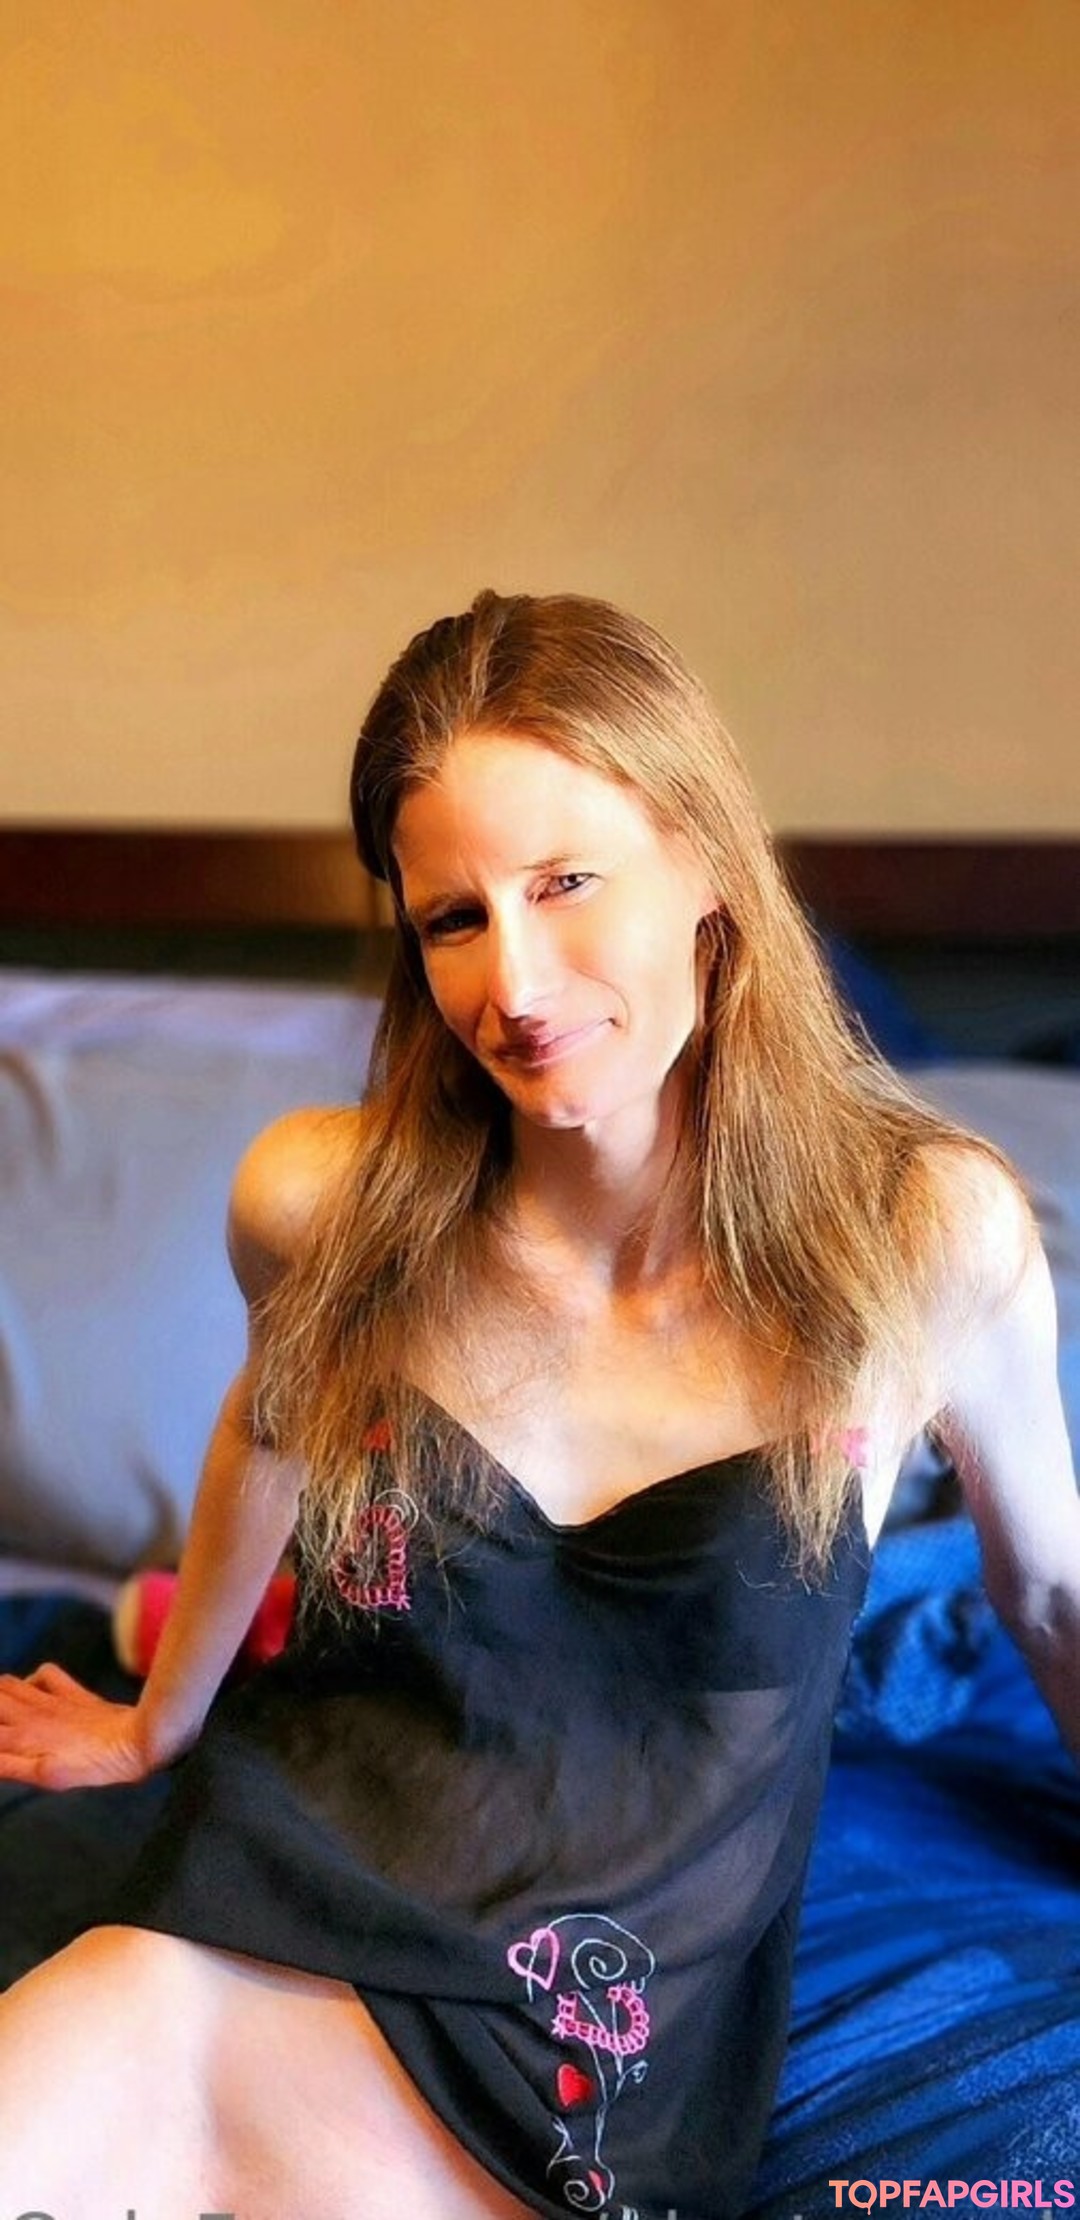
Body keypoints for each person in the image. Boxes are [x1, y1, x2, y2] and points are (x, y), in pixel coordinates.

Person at [0, 588, 1077, 2220]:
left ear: (705, 863)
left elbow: (1048, 1591)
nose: (514, 983)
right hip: (221, 1950)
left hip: (567, 2088)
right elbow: (264, 1430)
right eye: (454, 918)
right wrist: (163, 1716)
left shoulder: (922, 1242)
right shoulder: (321, 1206)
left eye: (567, 884)